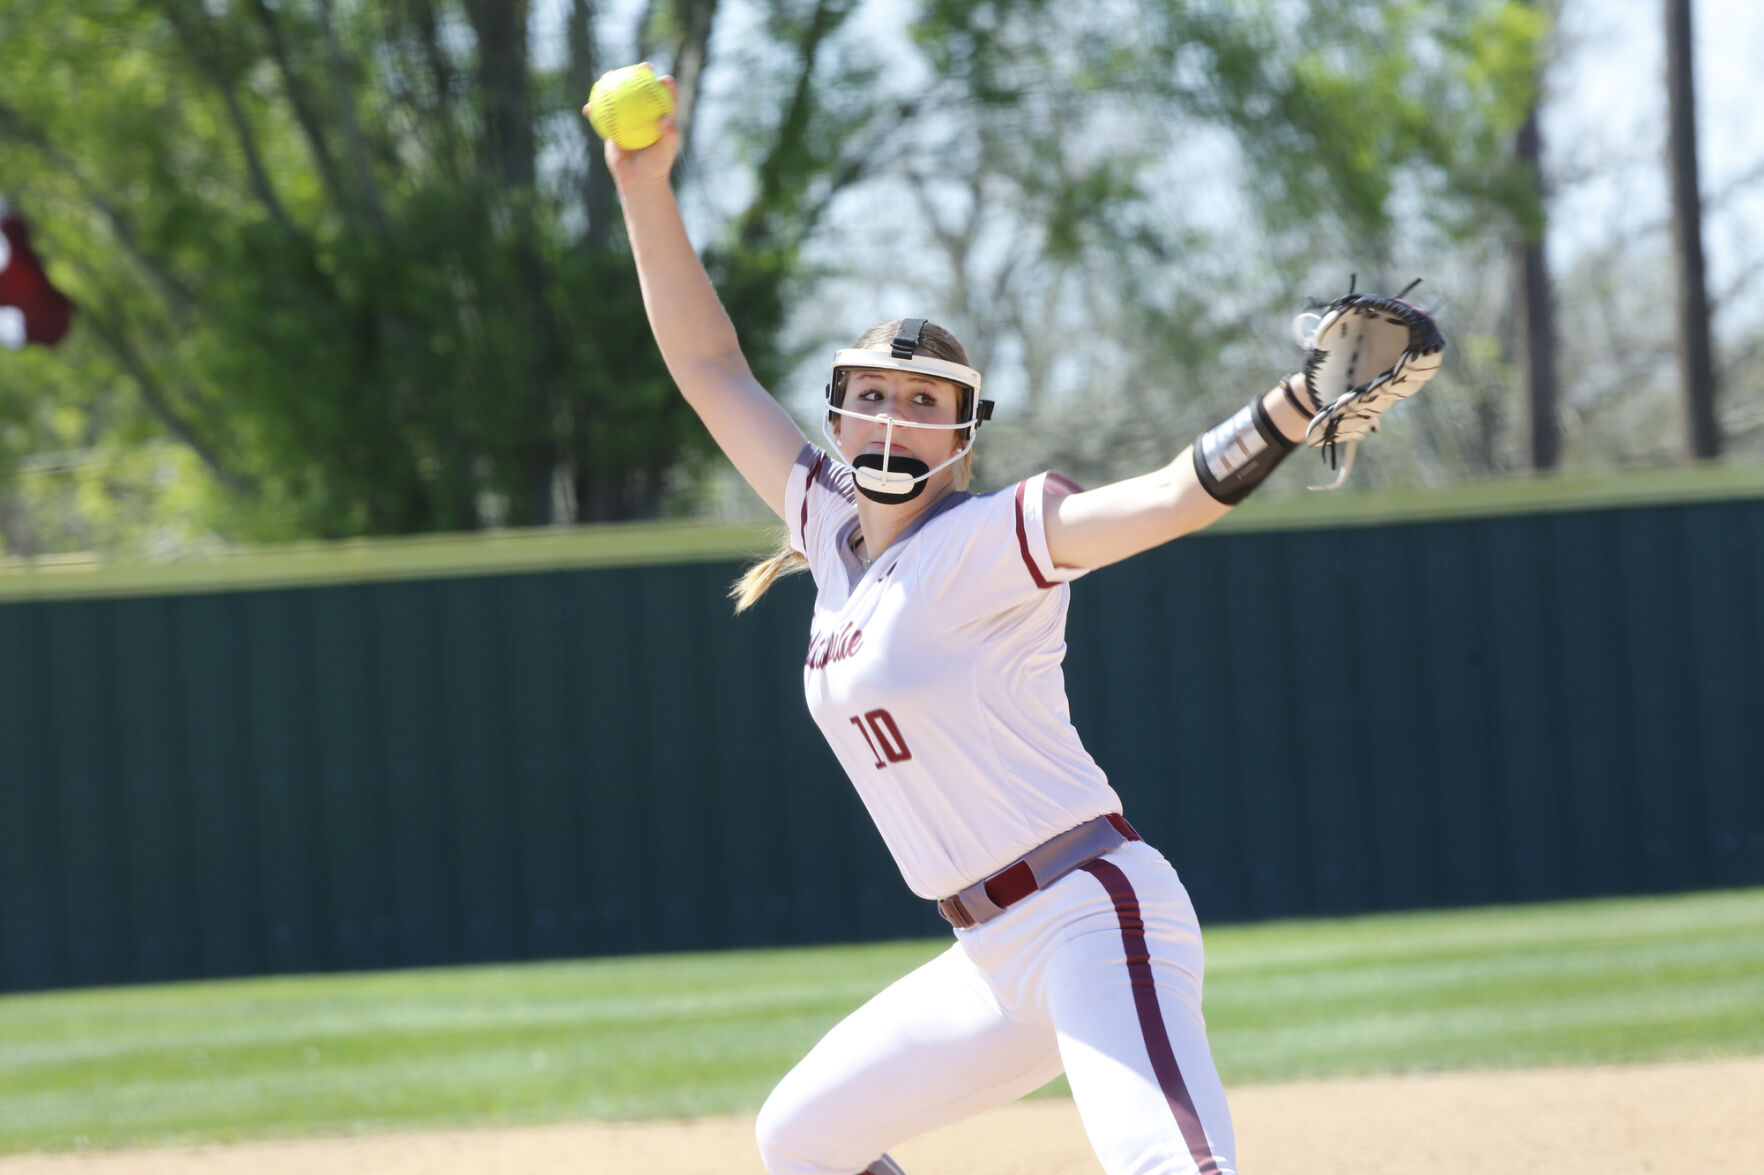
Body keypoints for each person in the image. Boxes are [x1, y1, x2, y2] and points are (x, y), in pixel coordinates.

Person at [596, 72, 1326, 1175]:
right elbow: (709, 366)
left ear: (962, 437)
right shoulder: (830, 531)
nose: (895, 414)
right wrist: (644, 188)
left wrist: (1296, 403)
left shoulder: (989, 537)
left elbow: (1171, 498)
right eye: (874, 395)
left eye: (925, 400)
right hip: (984, 951)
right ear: (838, 412)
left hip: (1091, 910)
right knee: (802, 1138)